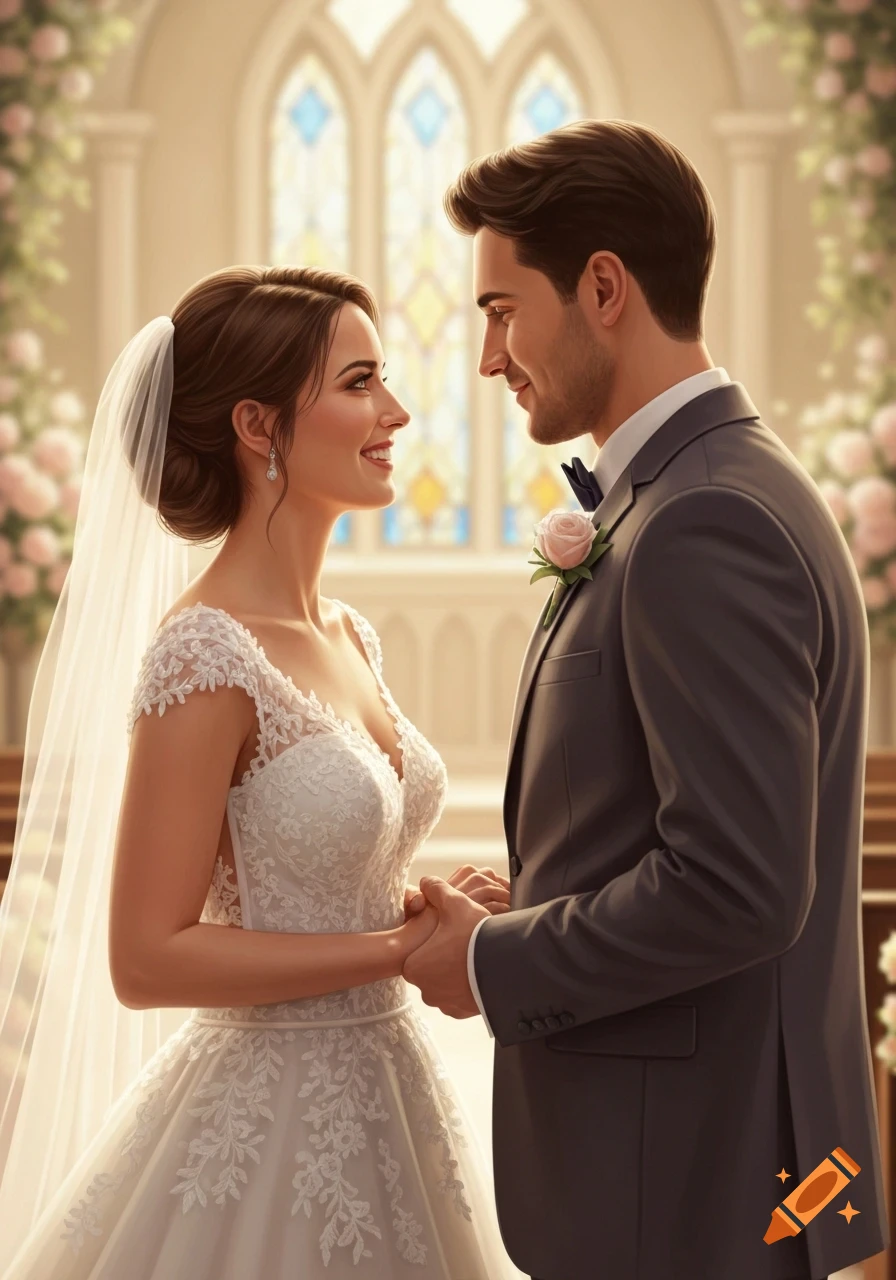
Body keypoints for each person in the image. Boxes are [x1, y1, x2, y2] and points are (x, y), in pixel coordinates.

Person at [401, 119, 889, 1280]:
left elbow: (736, 883)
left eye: (500, 310)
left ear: (603, 287)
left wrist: (492, 963)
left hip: (696, 1191)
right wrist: (539, 888)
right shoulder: (690, 495)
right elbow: (702, 828)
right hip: (701, 1176)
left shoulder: (703, 522)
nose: (487, 357)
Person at [0, 264, 519, 1278]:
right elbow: (147, 957)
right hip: (263, 1115)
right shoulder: (203, 652)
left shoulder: (348, 633)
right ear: (257, 423)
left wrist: (425, 901)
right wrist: (393, 947)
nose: (396, 411)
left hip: (390, 1094)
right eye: (360, 381)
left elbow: (326, 872)